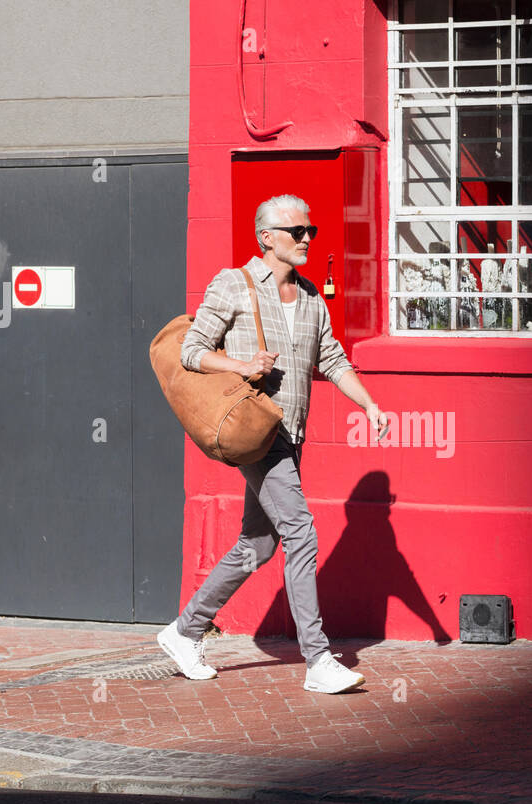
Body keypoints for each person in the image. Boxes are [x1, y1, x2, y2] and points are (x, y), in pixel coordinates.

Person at [157, 194, 388, 694]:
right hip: (258, 435)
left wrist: (368, 405)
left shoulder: (309, 299)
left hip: (292, 435)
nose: (307, 239)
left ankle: (185, 630)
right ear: (267, 238)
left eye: (311, 232)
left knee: (258, 544)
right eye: (297, 232)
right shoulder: (233, 285)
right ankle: (318, 660)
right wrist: (241, 366)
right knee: (301, 533)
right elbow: (194, 350)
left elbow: (334, 360)